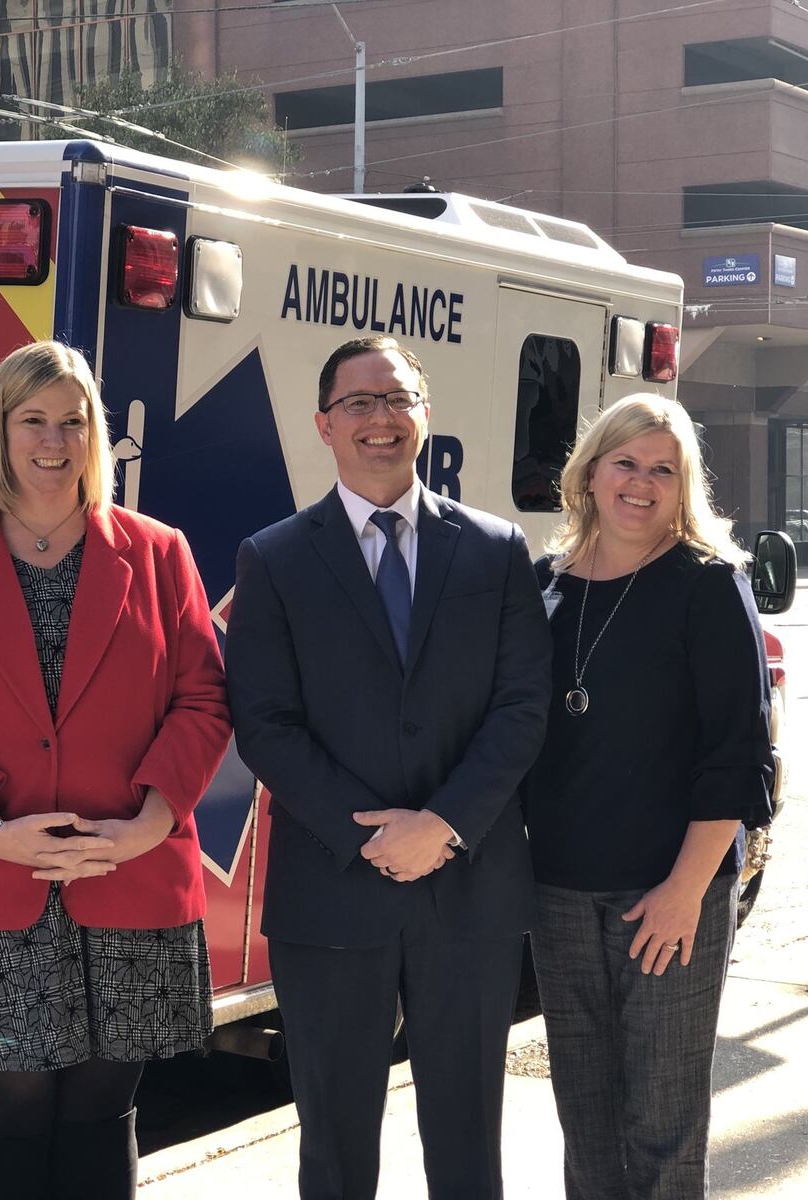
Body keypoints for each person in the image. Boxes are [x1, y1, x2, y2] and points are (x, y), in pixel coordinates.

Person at [0, 339, 230, 1200]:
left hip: (130, 873)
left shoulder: (157, 552)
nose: (54, 440)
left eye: (74, 421)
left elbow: (204, 701)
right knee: (6, 1117)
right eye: (33, 419)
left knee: (100, 1116)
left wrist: (150, 821)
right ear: (0, 428)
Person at [225, 335, 551, 1200]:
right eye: (360, 403)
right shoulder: (275, 558)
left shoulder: (495, 549)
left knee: (469, 1147)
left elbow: (523, 709)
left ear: (425, 416)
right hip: (333, 894)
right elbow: (264, 722)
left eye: (397, 399)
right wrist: (371, 837)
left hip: (469, 892)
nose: (381, 418)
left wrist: (442, 827)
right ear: (324, 424)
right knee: (333, 1150)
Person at [526, 394, 773, 1199]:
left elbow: (739, 759)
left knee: (663, 1124)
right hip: (559, 893)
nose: (641, 482)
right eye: (625, 462)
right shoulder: (547, 585)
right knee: (585, 1115)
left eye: (663, 469)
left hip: (670, 894)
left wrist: (686, 892)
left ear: (684, 486)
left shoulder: (707, 585)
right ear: (590, 473)